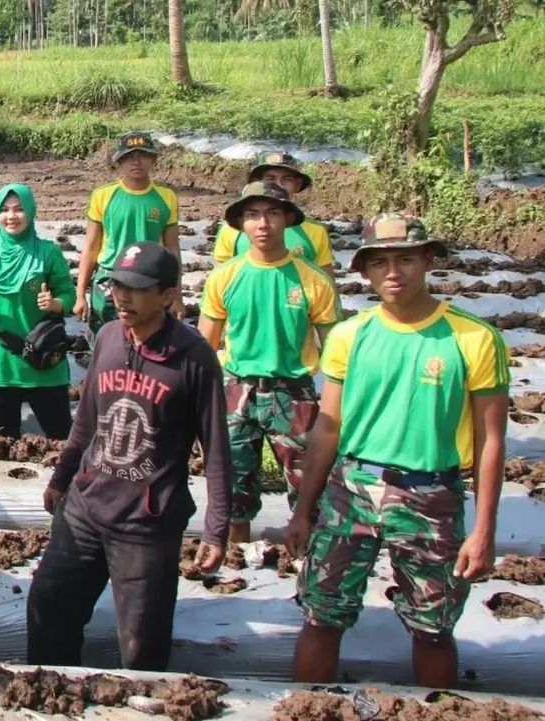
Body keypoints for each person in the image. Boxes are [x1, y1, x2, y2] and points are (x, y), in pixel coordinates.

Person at [286, 213, 508, 689]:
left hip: (431, 495)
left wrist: (485, 530)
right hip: (352, 491)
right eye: (380, 262)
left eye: (406, 259)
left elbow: (491, 441)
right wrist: (304, 509)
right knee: (322, 615)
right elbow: (328, 429)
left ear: (428, 261)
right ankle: (307, 705)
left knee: (433, 628)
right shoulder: (349, 335)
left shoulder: (473, 338)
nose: (393, 272)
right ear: (364, 270)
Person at [27, 242, 231, 671]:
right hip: (85, 508)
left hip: (147, 525)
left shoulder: (192, 358)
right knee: (48, 611)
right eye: (117, 285)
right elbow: (86, 420)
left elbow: (215, 449)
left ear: (168, 295)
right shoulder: (106, 337)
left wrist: (216, 530)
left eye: (137, 289)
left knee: (141, 645)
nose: (123, 297)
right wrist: (61, 478)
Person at [198, 182, 340, 544]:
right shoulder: (224, 277)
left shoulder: (313, 281)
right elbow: (203, 347)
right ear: (241, 224)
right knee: (231, 491)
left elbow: (337, 349)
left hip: (292, 393)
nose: (263, 224)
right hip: (237, 390)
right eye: (253, 215)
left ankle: (308, 560)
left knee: (310, 486)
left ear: (288, 219)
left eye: (273, 213)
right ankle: (236, 559)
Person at [0, 183, 75, 440]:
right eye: (5, 210)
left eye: (19, 209)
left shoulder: (48, 252)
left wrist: (57, 304)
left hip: (42, 356)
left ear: (31, 212)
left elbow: (68, 292)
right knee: (3, 437)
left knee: (61, 435)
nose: (11, 216)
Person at [75, 130, 184, 338]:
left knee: (147, 341)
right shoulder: (103, 195)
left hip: (150, 280)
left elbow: (172, 249)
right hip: (110, 278)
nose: (136, 162)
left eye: (142, 155)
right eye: (129, 157)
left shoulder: (166, 197)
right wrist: (80, 294)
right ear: (120, 162)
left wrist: (177, 296)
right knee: (106, 341)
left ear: (153, 159)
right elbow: (90, 247)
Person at [212, 152, 334, 275]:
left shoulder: (316, 232)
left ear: (297, 185)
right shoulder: (232, 230)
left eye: (287, 179)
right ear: (257, 183)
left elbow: (326, 283)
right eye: (270, 178)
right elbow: (220, 280)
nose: (279, 185)